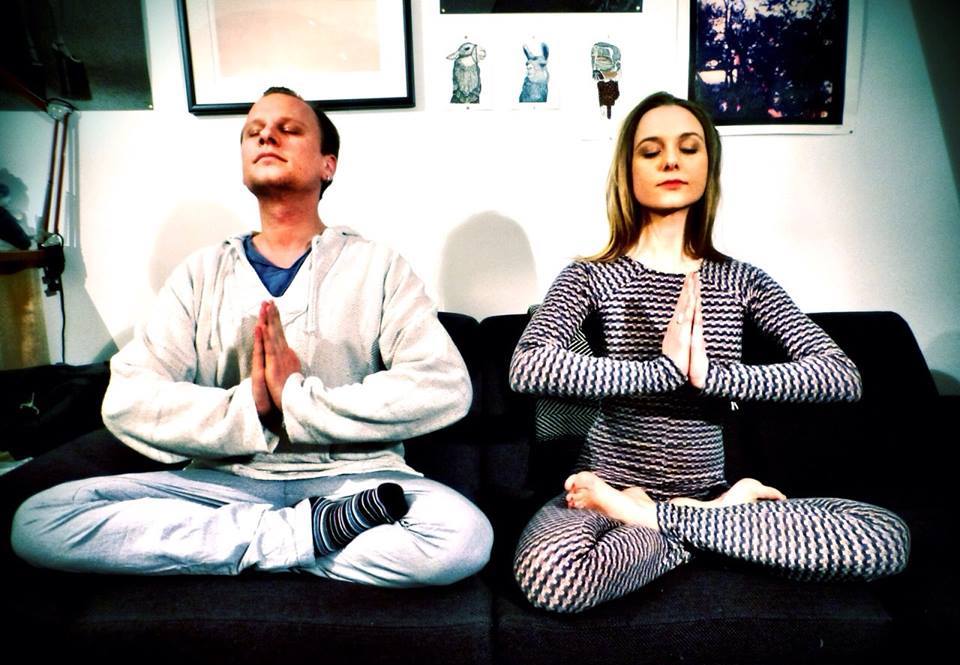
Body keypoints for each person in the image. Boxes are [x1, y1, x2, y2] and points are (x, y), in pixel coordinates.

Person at [11, 87, 493, 586]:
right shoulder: (200, 273)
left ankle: (245, 543)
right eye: (253, 132)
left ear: (327, 165)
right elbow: (127, 400)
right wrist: (253, 409)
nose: (266, 136)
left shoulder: (379, 267)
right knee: (39, 521)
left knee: (464, 538)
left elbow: (443, 385)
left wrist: (297, 402)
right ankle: (308, 536)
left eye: (289, 129)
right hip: (223, 484)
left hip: (356, 482)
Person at [509, 91, 910, 613]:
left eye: (688, 147)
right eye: (651, 151)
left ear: (708, 165)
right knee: (552, 577)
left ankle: (664, 518)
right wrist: (661, 372)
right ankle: (704, 527)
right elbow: (528, 366)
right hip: (603, 492)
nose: (671, 161)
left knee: (884, 537)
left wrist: (714, 376)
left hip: (703, 493)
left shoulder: (743, 281)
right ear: (628, 170)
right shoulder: (591, 274)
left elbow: (840, 375)